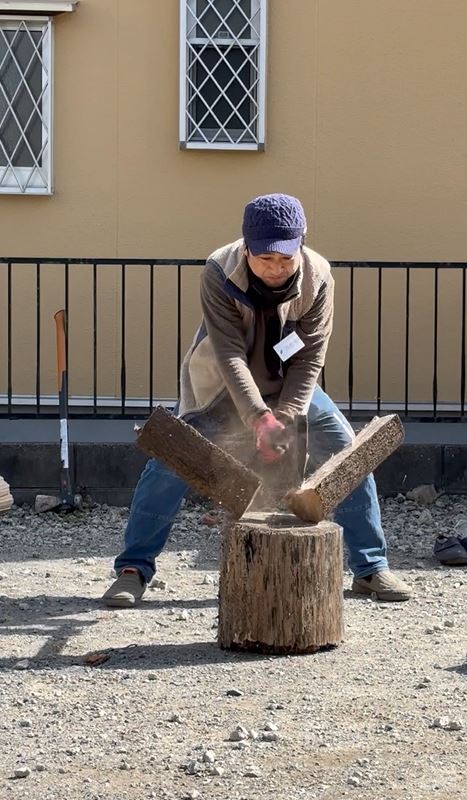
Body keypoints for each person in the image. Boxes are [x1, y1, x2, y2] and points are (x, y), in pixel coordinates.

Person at [102, 193, 411, 607]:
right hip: (224, 385)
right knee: (172, 457)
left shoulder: (318, 277)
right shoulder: (218, 272)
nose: (276, 269)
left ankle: (371, 568)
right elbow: (229, 354)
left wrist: (283, 416)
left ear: (301, 246)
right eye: (265, 259)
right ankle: (134, 568)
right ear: (246, 248)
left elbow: (309, 358)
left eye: (286, 259)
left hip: (287, 384)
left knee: (344, 447)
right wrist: (259, 419)